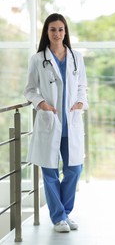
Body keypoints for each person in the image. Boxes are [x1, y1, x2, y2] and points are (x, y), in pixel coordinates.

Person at [24, 13, 88, 233]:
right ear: (47, 32)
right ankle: (59, 217)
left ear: (65, 32)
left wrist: (80, 102)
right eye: (53, 29)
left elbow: (82, 87)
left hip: (71, 121)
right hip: (50, 121)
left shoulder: (76, 57)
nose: (57, 33)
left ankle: (65, 212)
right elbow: (30, 90)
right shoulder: (37, 58)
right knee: (50, 171)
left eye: (61, 29)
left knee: (74, 169)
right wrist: (41, 103)